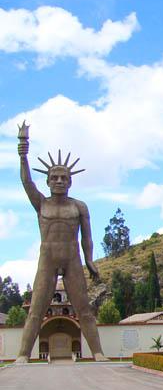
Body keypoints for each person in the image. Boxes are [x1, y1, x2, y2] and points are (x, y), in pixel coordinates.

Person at [14, 121, 108, 363]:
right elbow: (26, 182)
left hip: (72, 260)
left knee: (84, 310)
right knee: (35, 311)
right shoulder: (41, 203)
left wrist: (90, 260)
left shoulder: (79, 206)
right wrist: (23, 150)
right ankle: (23, 355)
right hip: (47, 260)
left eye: (63, 177)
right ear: (47, 181)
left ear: (70, 181)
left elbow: (87, 236)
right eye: (54, 177)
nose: (58, 181)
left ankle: (98, 353)